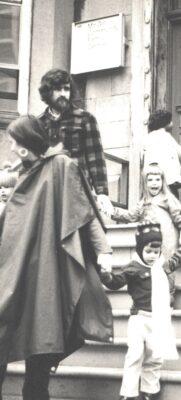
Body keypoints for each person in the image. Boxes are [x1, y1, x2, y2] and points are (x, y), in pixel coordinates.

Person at [0, 115, 114, 400]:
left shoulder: (63, 167)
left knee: (40, 351)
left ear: (25, 146)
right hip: (16, 273)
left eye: (13, 143)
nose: (11, 149)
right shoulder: (24, 173)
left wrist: (104, 252)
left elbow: (85, 215)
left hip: (48, 274)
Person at [100, 220, 181, 400]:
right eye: (148, 251)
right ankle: (128, 393)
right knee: (134, 355)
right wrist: (105, 276)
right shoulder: (133, 268)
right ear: (140, 249)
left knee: (154, 357)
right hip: (139, 319)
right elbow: (116, 282)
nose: (152, 256)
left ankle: (150, 391)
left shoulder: (161, 265)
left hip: (158, 319)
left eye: (156, 252)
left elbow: (175, 261)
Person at [110, 163, 181, 300]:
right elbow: (130, 216)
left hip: (167, 240)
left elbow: (179, 217)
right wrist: (112, 212)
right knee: (150, 268)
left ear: (163, 181)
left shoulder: (168, 199)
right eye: (150, 180)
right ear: (145, 183)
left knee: (167, 267)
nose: (154, 183)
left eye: (158, 179)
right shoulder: (143, 203)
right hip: (150, 242)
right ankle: (151, 299)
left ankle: (168, 298)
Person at [38, 68, 113, 215]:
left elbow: (96, 158)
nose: (63, 94)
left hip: (78, 191)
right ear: (47, 92)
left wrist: (102, 193)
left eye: (66, 89)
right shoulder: (39, 123)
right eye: (58, 89)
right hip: (49, 193)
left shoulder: (85, 119)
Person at [143, 110, 181, 198]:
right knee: (173, 200)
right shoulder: (167, 137)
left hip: (154, 177)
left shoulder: (148, 138)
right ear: (165, 123)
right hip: (169, 178)